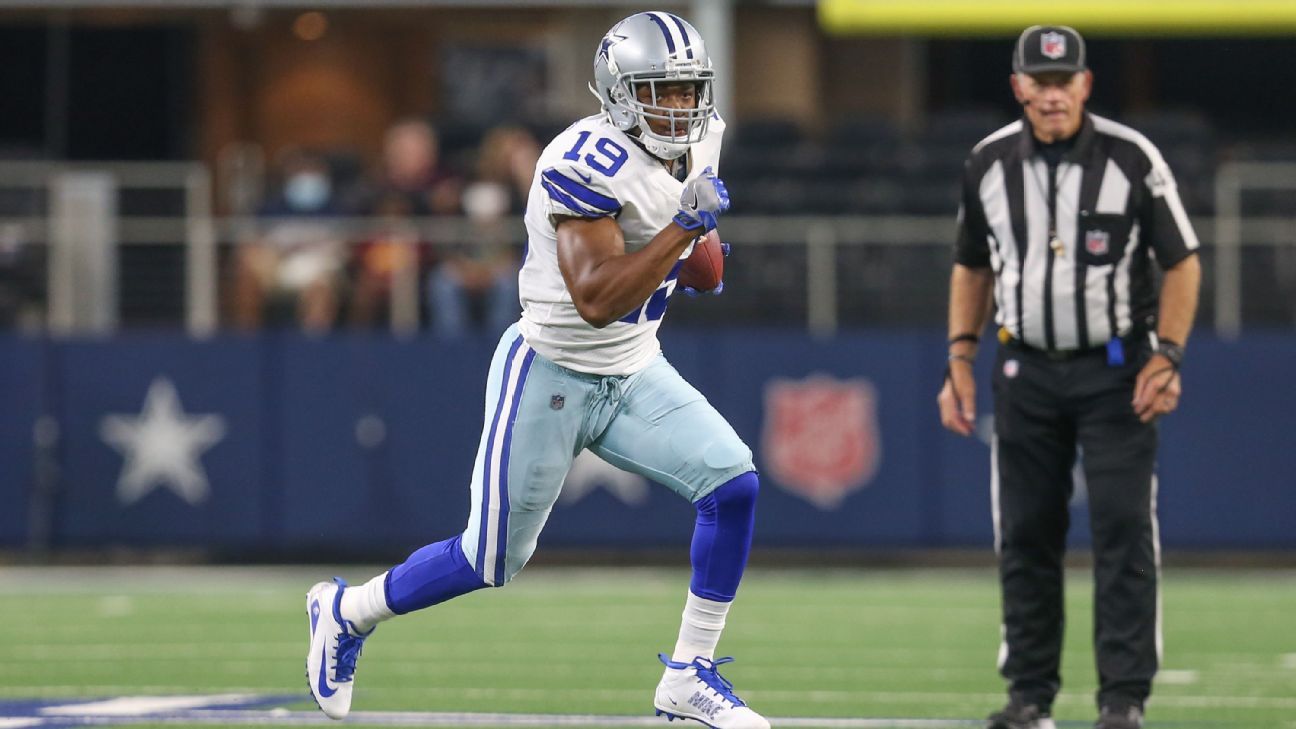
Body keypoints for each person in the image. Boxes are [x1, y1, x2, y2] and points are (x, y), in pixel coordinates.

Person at [305, 12, 768, 729]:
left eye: (687, 91)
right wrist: (684, 225)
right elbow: (595, 300)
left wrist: (699, 238)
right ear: (619, 94)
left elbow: (702, 272)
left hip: (636, 368)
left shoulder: (702, 136)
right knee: (489, 558)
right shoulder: (580, 160)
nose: (678, 107)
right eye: (660, 92)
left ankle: (688, 674)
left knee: (733, 482)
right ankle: (347, 609)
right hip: (552, 372)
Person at [936, 26, 1202, 729]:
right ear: (1019, 85)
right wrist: (959, 359)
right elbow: (972, 263)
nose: (1053, 95)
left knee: (1122, 530)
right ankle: (1029, 696)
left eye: (1065, 81)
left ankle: (1123, 699)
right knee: (1025, 530)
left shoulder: (1132, 158)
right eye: (1040, 82)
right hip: (1022, 368)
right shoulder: (987, 162)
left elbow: (1183, 260)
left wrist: (1167, 354)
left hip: (1116, 372)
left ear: (1085, 84)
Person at [425, 125, 538, 335]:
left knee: (508, 285)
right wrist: (461, 264)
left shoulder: (525, 194)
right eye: (504, 152)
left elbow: (531, 236)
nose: (507, 159)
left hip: (505, 264)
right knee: (442, 283)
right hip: (463, 262)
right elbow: (449, 232)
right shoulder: (463, 185)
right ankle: (451, 348)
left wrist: (526, 184)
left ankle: (500, 343)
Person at [229, 147, 348, 332]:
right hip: (277, 265)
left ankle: (311, 349)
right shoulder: (270, 208)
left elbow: (346, 247)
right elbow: (250, 242)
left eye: (312, 172)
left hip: (320, 268)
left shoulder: (338, 209)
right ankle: (247, 345)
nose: (306, 178)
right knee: (247, 279)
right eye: (301, 171)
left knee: (320, 290)